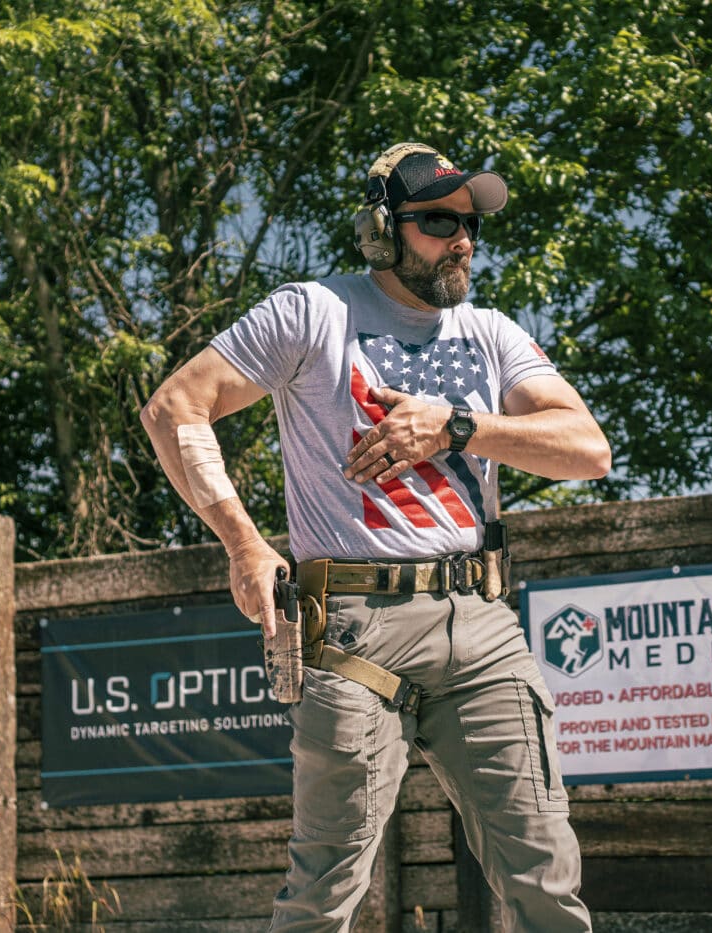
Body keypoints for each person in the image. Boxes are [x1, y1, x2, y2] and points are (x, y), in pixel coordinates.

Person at [140, 142, 609, 932]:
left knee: (546, 875)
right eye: (437, 221)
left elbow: (588, 449)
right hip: (355, 631)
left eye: (470, 223)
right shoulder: (313, 312)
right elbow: (174, 410)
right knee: (325, 889)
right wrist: (244, 542)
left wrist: (458, 425)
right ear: (382, 230)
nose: (462, 238)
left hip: (484, 626)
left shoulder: (491, 333)